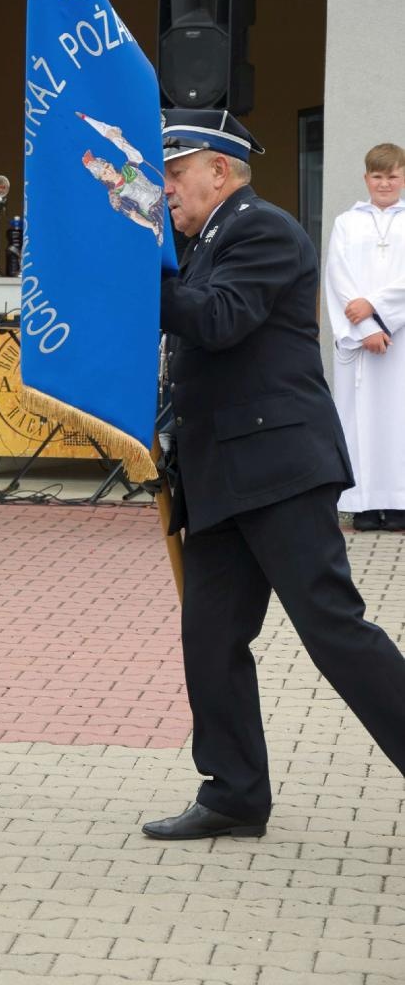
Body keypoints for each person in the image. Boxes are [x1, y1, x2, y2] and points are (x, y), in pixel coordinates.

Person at [142, 108, 405, 841]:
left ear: (218, 172)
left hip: (277, 467)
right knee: (210, 636)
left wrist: (133, 273)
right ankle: (233, 792)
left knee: (331, 629)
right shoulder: (202, 243)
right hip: (223, 472)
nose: (164, 189)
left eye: (174, 173)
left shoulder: (260, 229)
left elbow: (219, 319)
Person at [325, 143, 405, 531]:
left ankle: (399, 504)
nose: (385, 183)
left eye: (392, 175)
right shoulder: (347, 222)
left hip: (400, 343)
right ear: (365, 178)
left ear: (403, 177)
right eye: (377, 176)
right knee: (359, 421)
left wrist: (374, 307)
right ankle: (364, 505)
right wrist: (366, 329)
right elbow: (337, 279)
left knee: (398, 419)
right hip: (361, 342)